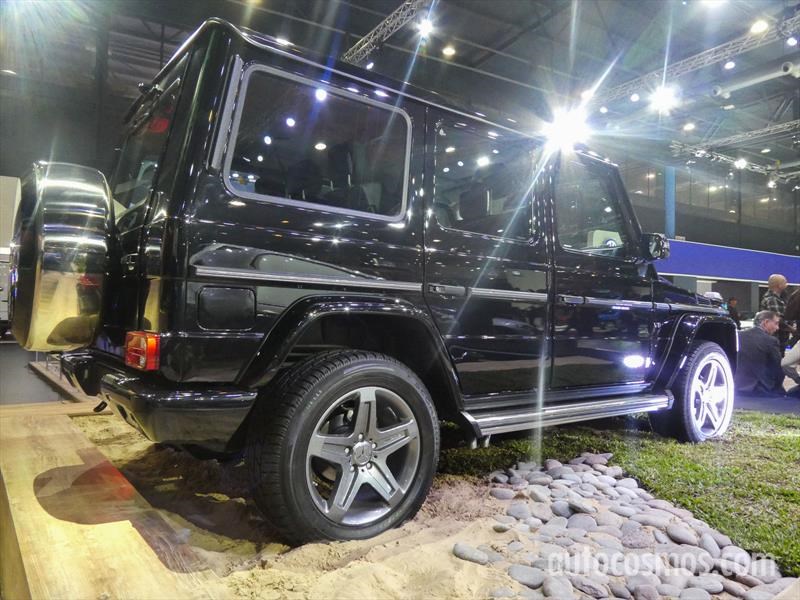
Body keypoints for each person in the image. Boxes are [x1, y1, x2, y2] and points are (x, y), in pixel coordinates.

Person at [734, 311, 785, 395]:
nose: (777, 328)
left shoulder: (738, 335)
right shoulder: (771, 341)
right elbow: (778, 368)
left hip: (736, 387)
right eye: (776, 323)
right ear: (766, 322)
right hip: (760, 389)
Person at [760, 274, 795, 352]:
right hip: (775, 338)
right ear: (779, 285)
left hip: (780, 337)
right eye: (784, 282)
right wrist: (793, 330)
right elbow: (778, 320)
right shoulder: (771, 299)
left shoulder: (780, 298)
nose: (787, 284)